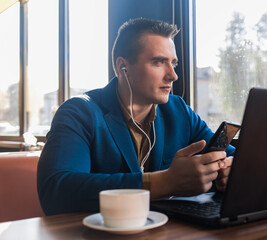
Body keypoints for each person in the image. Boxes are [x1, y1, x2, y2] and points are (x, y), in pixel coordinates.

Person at [37, 18, 235, 215]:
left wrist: (228, 171)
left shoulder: (179, 110)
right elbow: (57, 191)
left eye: (173, 63)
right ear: (123, 67)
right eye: (159, 62)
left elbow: (233, 157)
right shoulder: (79, 112)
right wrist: (164, 182)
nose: (173, 75)